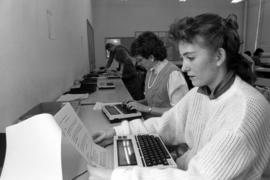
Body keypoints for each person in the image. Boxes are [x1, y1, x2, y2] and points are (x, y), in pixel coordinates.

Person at [88, 13, 270, 180]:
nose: (183, 67)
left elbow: (197, 178)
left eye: (190, 58)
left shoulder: (243, 113)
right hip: (185, 168)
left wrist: (117, 175)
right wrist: (116, 132)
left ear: (219, 56)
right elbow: (165, 124)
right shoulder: (201, 93)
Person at [125, 31, 189, 118]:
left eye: (140, 60)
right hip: (153, 123)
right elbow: (151, 101)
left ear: (151, 57)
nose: (138, 64)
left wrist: (146, 109)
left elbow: (179, 111)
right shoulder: (150, 71)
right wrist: (136, 103)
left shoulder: (173, 74)